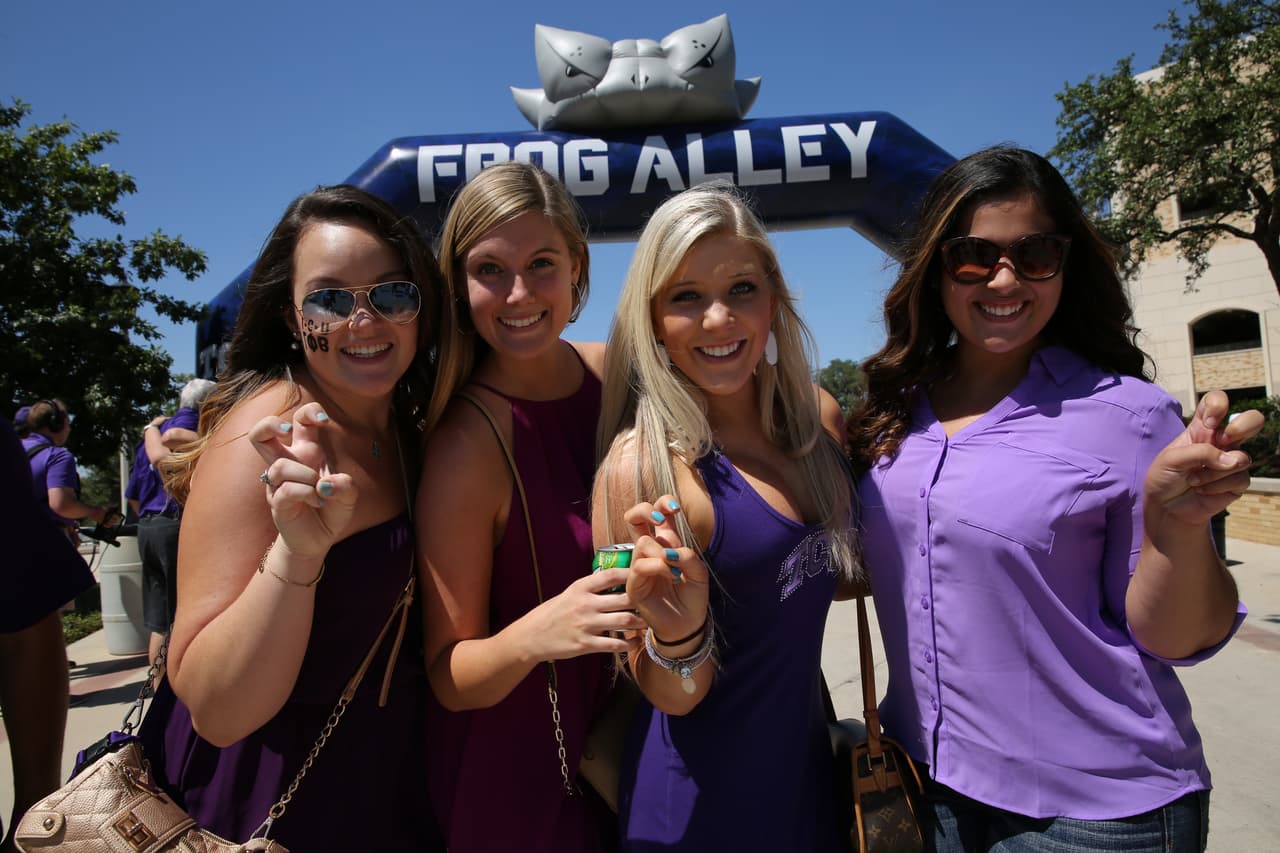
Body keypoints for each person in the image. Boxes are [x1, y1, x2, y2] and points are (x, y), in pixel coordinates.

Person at [847, 146, 1259, 852]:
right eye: (973, 255)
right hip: (930, 788)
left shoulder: (1131, 416)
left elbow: (1179, 638)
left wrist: (1181, 530)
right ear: (936, 269)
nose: (1005, 277)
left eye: (1035, 253)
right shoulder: (894, 414)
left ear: (1064, 264)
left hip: (1095, 816)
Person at [138, 185, 456, 850]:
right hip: (261, 801)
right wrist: (296, 554)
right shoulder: (264, 434)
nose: (364, 320)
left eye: (393, 293)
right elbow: (216, 709)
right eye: (330, 298)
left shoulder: (406, 424)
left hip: (381, 788)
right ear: (290, 316)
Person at [592, 182, 857, 851]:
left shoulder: (819, 424)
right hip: (694, 817)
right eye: (685, 296)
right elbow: (658, 688)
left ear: (773, 298)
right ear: (652, 319)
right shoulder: (635, 471)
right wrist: (679, 637)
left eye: (741, 288)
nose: (719, 319)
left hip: (810, 790)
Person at [418, 161, 635, 853]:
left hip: (635, 745)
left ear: (576, 263)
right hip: (521, 786)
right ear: (459, 282)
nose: (518, 293)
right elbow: (448, 674)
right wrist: (539, 631)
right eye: (490, 269)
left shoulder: (623, 375)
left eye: (541, 263)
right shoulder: (465, 443)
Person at [0, 415, 96, 853]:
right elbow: (60, 502)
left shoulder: (15, 446)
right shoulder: (55, 454)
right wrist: (35, 811)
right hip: (28, 570)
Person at [125, 378, 215, 679]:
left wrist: (150, 428)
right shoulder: (199, 431)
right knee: (187, 615)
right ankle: (178, 697)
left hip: (148, 527)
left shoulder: (149, 439)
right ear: (207, 404)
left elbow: (134, 497)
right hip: (178, 526)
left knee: (159, 620)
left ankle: (157, 690)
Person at [22, 399, 117, 540]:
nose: (69, 429)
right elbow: (61, 504)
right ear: (56, 424)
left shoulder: (10, 449)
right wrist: (96, 513)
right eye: (68, 423)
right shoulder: (57, 456)